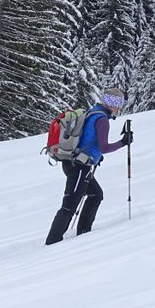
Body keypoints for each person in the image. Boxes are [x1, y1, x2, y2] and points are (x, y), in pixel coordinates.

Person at [44, 88, 132, 245]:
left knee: (95, 194)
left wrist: (96, 156)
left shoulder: (93, 112)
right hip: (78, 166)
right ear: (113, 104)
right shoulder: (102, 120)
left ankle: (84, 234)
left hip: (75, 163)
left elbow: (88, 140)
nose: (119, 108)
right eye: (118, 104)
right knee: (69, 205)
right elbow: (104, 146)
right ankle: (52, 243)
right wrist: (123, 142)